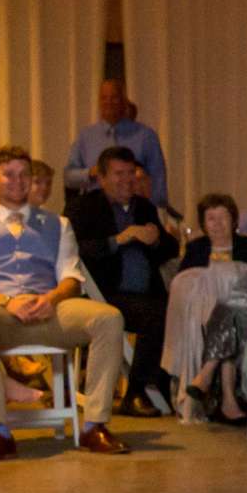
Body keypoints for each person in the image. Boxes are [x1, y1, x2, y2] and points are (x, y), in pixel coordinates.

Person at [0, 145, 130, 463]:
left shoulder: (58, 224)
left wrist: (52, 298)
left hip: (50, 309)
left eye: (24, 175)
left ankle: (94, 424)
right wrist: (7, 302)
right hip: (1, 313)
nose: (18, 181)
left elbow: (71, 278)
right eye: (9, 174)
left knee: (109, 318)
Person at [71, 146, 177, 416]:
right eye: (119, 174)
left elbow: (170, 249)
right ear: (102, 177)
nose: (127, 180)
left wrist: (157, 241)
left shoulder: (145, 207)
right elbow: (74, 250)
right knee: (158, 314)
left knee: (178, 309)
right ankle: (137, 392)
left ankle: (171, 390)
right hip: (105, 294)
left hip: (146, 293)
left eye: (131, 173)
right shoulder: (84, 207)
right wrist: (118, 239)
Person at [171, 193, 247, 425]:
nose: (218, 224)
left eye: (223, 217)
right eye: (211, 218)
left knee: (228, 312)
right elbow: (183, 287)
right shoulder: (196, 249)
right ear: (203, 223)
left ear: (234, 221)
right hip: (203, 318)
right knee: (224, 317)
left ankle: (205, 376)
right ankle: (229, 401)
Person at [63, 79, 169, 208]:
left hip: (135, 210)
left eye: (114, 98)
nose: (109, 103)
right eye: (104, 98)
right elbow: (68, 177)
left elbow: (158, 181)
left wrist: (148, 210)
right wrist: (90, 173)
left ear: (124, 101)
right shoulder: (85, 137)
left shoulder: (146, 136)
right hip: (95, 211)